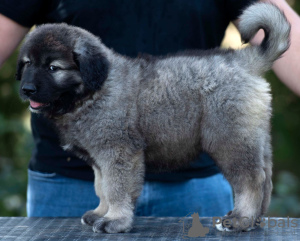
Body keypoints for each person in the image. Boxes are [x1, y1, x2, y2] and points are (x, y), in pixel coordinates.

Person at [0, 0, 299, 218]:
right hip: (67, 185)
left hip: (194, 185)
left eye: (52, 67)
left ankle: (248, 206)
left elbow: (282, 38)